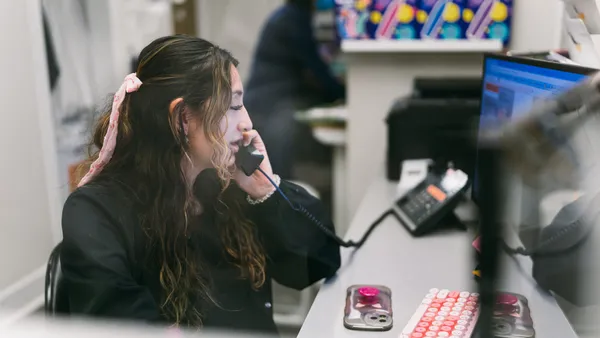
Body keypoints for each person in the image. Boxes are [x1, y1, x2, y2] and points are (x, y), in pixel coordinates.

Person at [61, 35, 341, 335]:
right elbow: (118, 323)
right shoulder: (96, 211)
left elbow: (320, 262)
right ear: (182, 119)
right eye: (233, 106)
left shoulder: (227, 188)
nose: (247, 122)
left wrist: (265, 190)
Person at [244, 0, 345, 179]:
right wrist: (346, 92)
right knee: (279, 143)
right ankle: (277, 197)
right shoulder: (292, 20)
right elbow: (318, 67)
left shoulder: (291, 15)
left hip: (272, 101)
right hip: (273, 103)